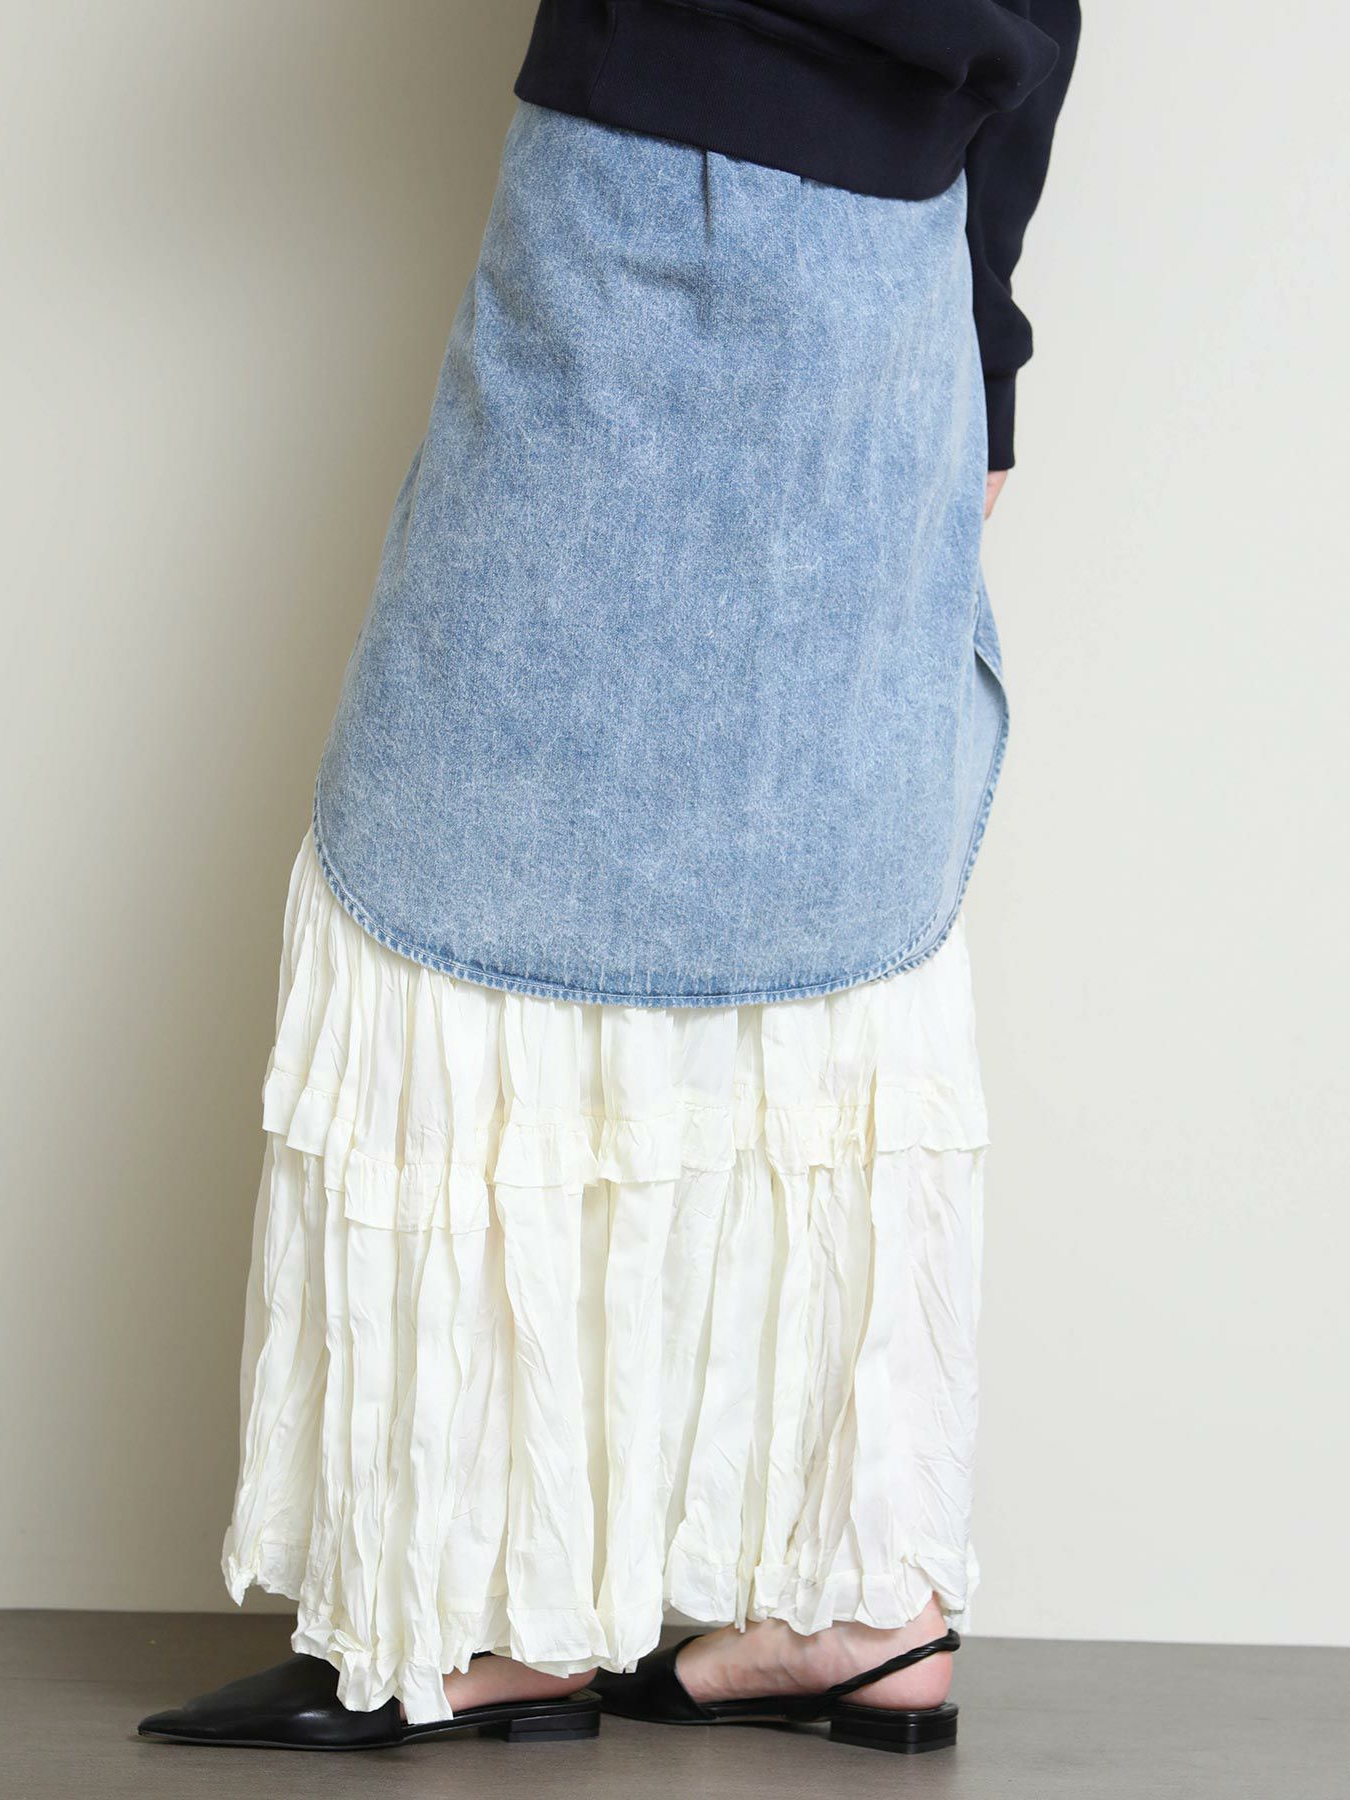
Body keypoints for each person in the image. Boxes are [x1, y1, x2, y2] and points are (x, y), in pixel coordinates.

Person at [138, 0, 1080, 1757]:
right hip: (899, 264)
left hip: (657, 200)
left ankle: (488, 1617)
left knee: (457, 872)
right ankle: (866, 1602)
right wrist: (984, 329)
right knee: (824, 910)